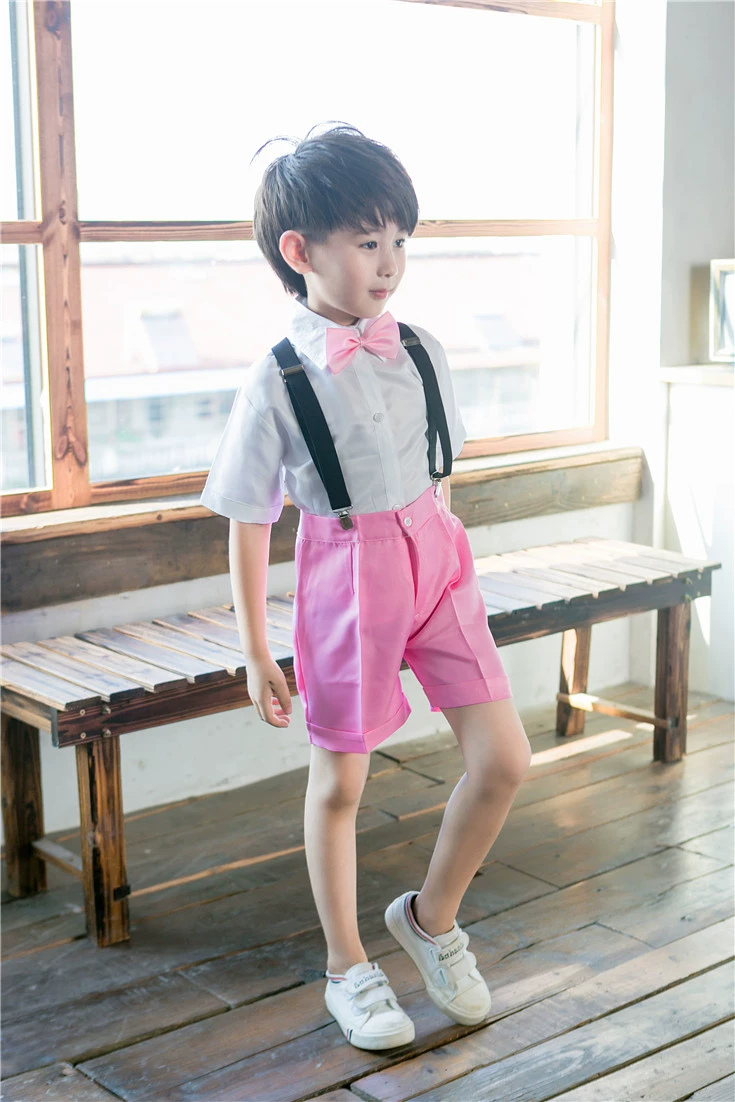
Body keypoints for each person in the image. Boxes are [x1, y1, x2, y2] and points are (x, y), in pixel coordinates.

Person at [200, 124, 532, 1052]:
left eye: (398, 240)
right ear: (299, 251)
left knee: (504, 760)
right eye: (365, 241)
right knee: (342, 781)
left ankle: (429, 920)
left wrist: (441, 552)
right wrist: (256, 650)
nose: (388, 263)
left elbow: (437, 468)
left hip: (437, 558)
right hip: (347, 571)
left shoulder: (420, 347)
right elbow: (248, 516)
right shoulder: (277, 377)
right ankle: (347, 965)